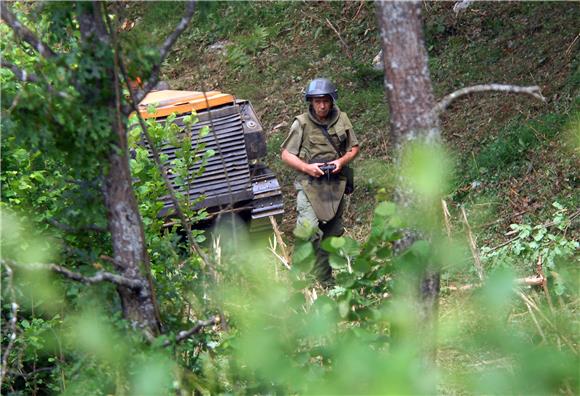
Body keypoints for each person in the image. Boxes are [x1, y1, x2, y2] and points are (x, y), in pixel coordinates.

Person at [281, 78, 360, 284]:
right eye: (317, 101)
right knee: (309, 231)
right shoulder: (301, 123)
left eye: (325, 100)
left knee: (331, 235)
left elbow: (354, 148)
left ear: (332, 101)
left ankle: (325, 281)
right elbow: (286, 155)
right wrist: (307, 168)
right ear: (311, 102)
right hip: (309, 185)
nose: (322, 105)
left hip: (334, 185)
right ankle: (297, 279)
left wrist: (341, 162)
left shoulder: (342, 119)